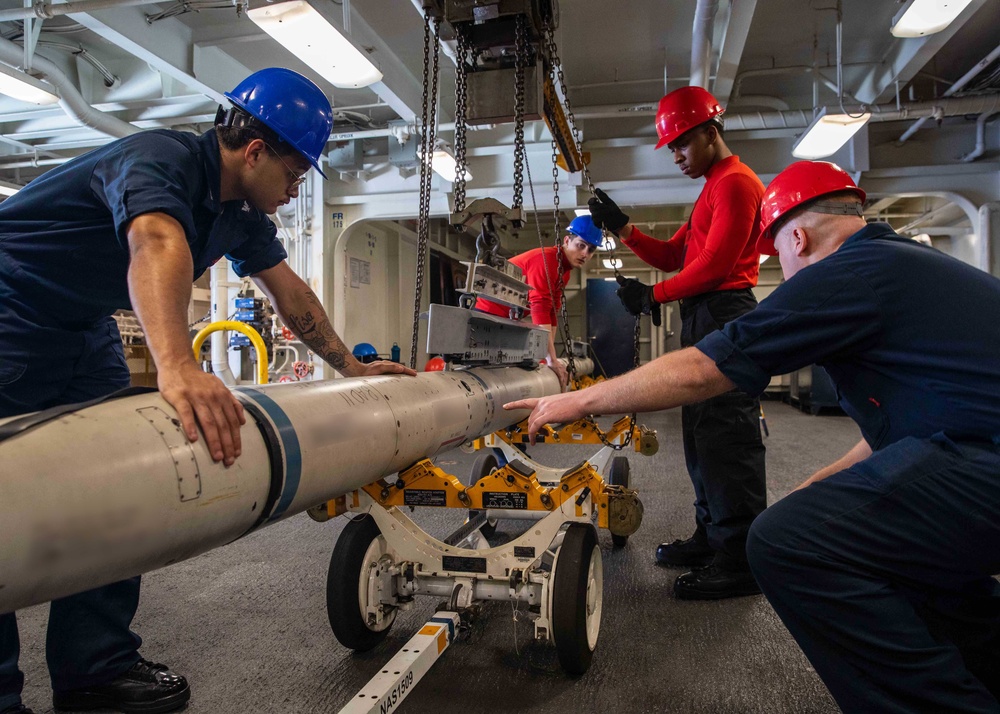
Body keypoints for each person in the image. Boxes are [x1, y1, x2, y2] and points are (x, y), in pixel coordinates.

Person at [507, 160, 1000, 712]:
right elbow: (900, 433)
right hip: (974, 455)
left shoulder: (847, 274)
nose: (782, 269)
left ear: (797, 236)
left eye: (777, 255)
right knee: (919, 569)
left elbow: (701, 369)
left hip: (983, 467)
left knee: (787, 542)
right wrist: (817, 484)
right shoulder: (904, 266)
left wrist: (572, 400)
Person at [0, 67, 415, 714]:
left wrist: (350, 368)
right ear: (254, 152)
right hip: (9, 308)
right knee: (7, 496)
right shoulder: (158, 160)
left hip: (81, 328)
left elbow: (291, 293)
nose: (293, 189)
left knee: (116, 485)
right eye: (294, 174)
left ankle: (96, 669)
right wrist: (175, 365)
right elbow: (155, 241)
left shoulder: (241, 212)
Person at [587, 85, 767, 599]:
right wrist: (623, 228)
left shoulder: (735, 183)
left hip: (725, 313)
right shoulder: (713, 187)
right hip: (705, 316)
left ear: (711, 133)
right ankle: (713, 537)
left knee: (727, 436)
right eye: (671, 148)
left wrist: (652, 298)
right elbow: (673, 256)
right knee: (703, 434)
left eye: (682, 145)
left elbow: (712, 268)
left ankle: (740, 560)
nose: (676, 156)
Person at [475, 215, 603, 388]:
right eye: (581, 245)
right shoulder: (548, 260)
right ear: (567, 240)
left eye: (591, 249)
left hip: (506, 319)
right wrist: (551, 359)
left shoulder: (564, 271)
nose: (585, 254)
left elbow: (552, 312)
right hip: (487, 315)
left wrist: (551, 357)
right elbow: (540, 308)